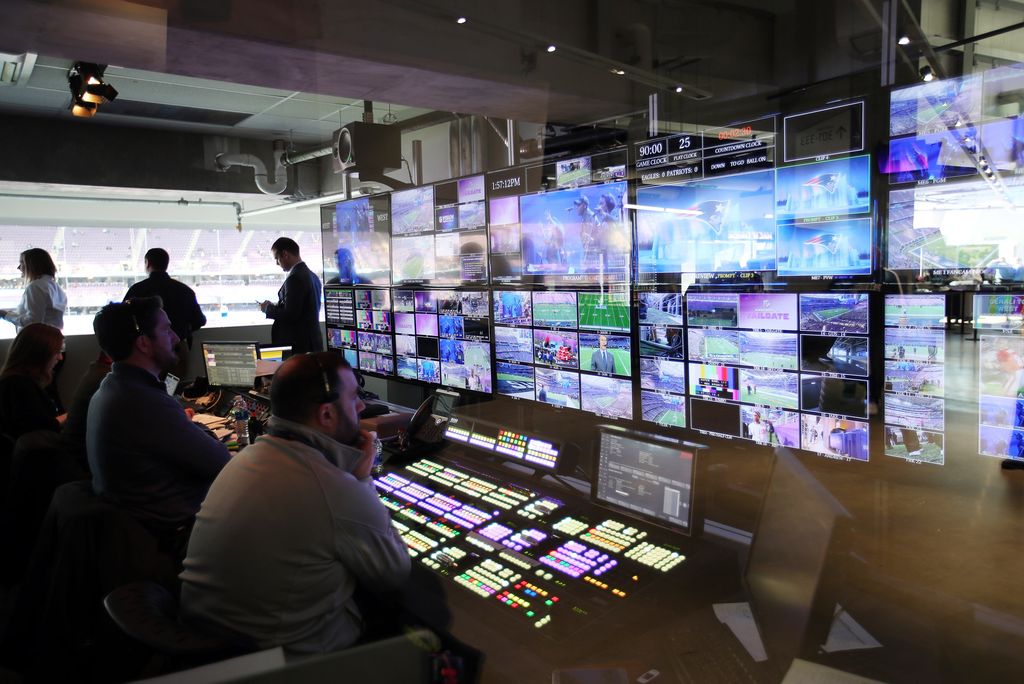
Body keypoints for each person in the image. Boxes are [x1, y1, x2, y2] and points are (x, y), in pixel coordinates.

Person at [179, 352, 410, 654]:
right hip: (285, 662)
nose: (362, 405)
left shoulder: (246, 458)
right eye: (355, 396)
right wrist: (362, 479)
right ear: (326, 415)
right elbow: (394, 574)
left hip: (208, 644)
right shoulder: (332, 488)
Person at [87, 297, 230, 551]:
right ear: (143, 343)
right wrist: (197, 427)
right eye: (166, 330)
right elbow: (222, 464)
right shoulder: (141, 402)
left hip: (144, 525)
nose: (176, 338)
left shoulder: (115, 386)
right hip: (179, 536)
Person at [124, 247, 207, 378]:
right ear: (166, 264)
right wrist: (184, 330)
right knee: (174, 391)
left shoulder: (137, 290)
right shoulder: (185, 290)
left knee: (149, 390)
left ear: (147, 263)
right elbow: (200, 320)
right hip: (177, 351)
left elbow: (124, 319)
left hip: (146, 352)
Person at [0, 323, 64, 441]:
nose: (60, 357)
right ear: (40, 354)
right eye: (57, 352)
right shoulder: (18, 385)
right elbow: (38, 429)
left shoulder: (30, 381)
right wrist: (72, 416)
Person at [260, 237, 324, 353]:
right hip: (312, 344)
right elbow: (302, 309)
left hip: (299, 347)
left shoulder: (295, 278)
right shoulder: (313, 276)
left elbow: (291, 315)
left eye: (277, 258)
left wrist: (267, 309)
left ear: (285, 254)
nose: (276, 263)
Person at [0, 248, 67, 332]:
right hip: (52, 339)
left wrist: (6, 315)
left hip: (37, 341)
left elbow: (33, 322)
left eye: (22, 263)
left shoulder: (36, 286)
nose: (19, 267)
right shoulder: (54, 286)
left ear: (32, 265)